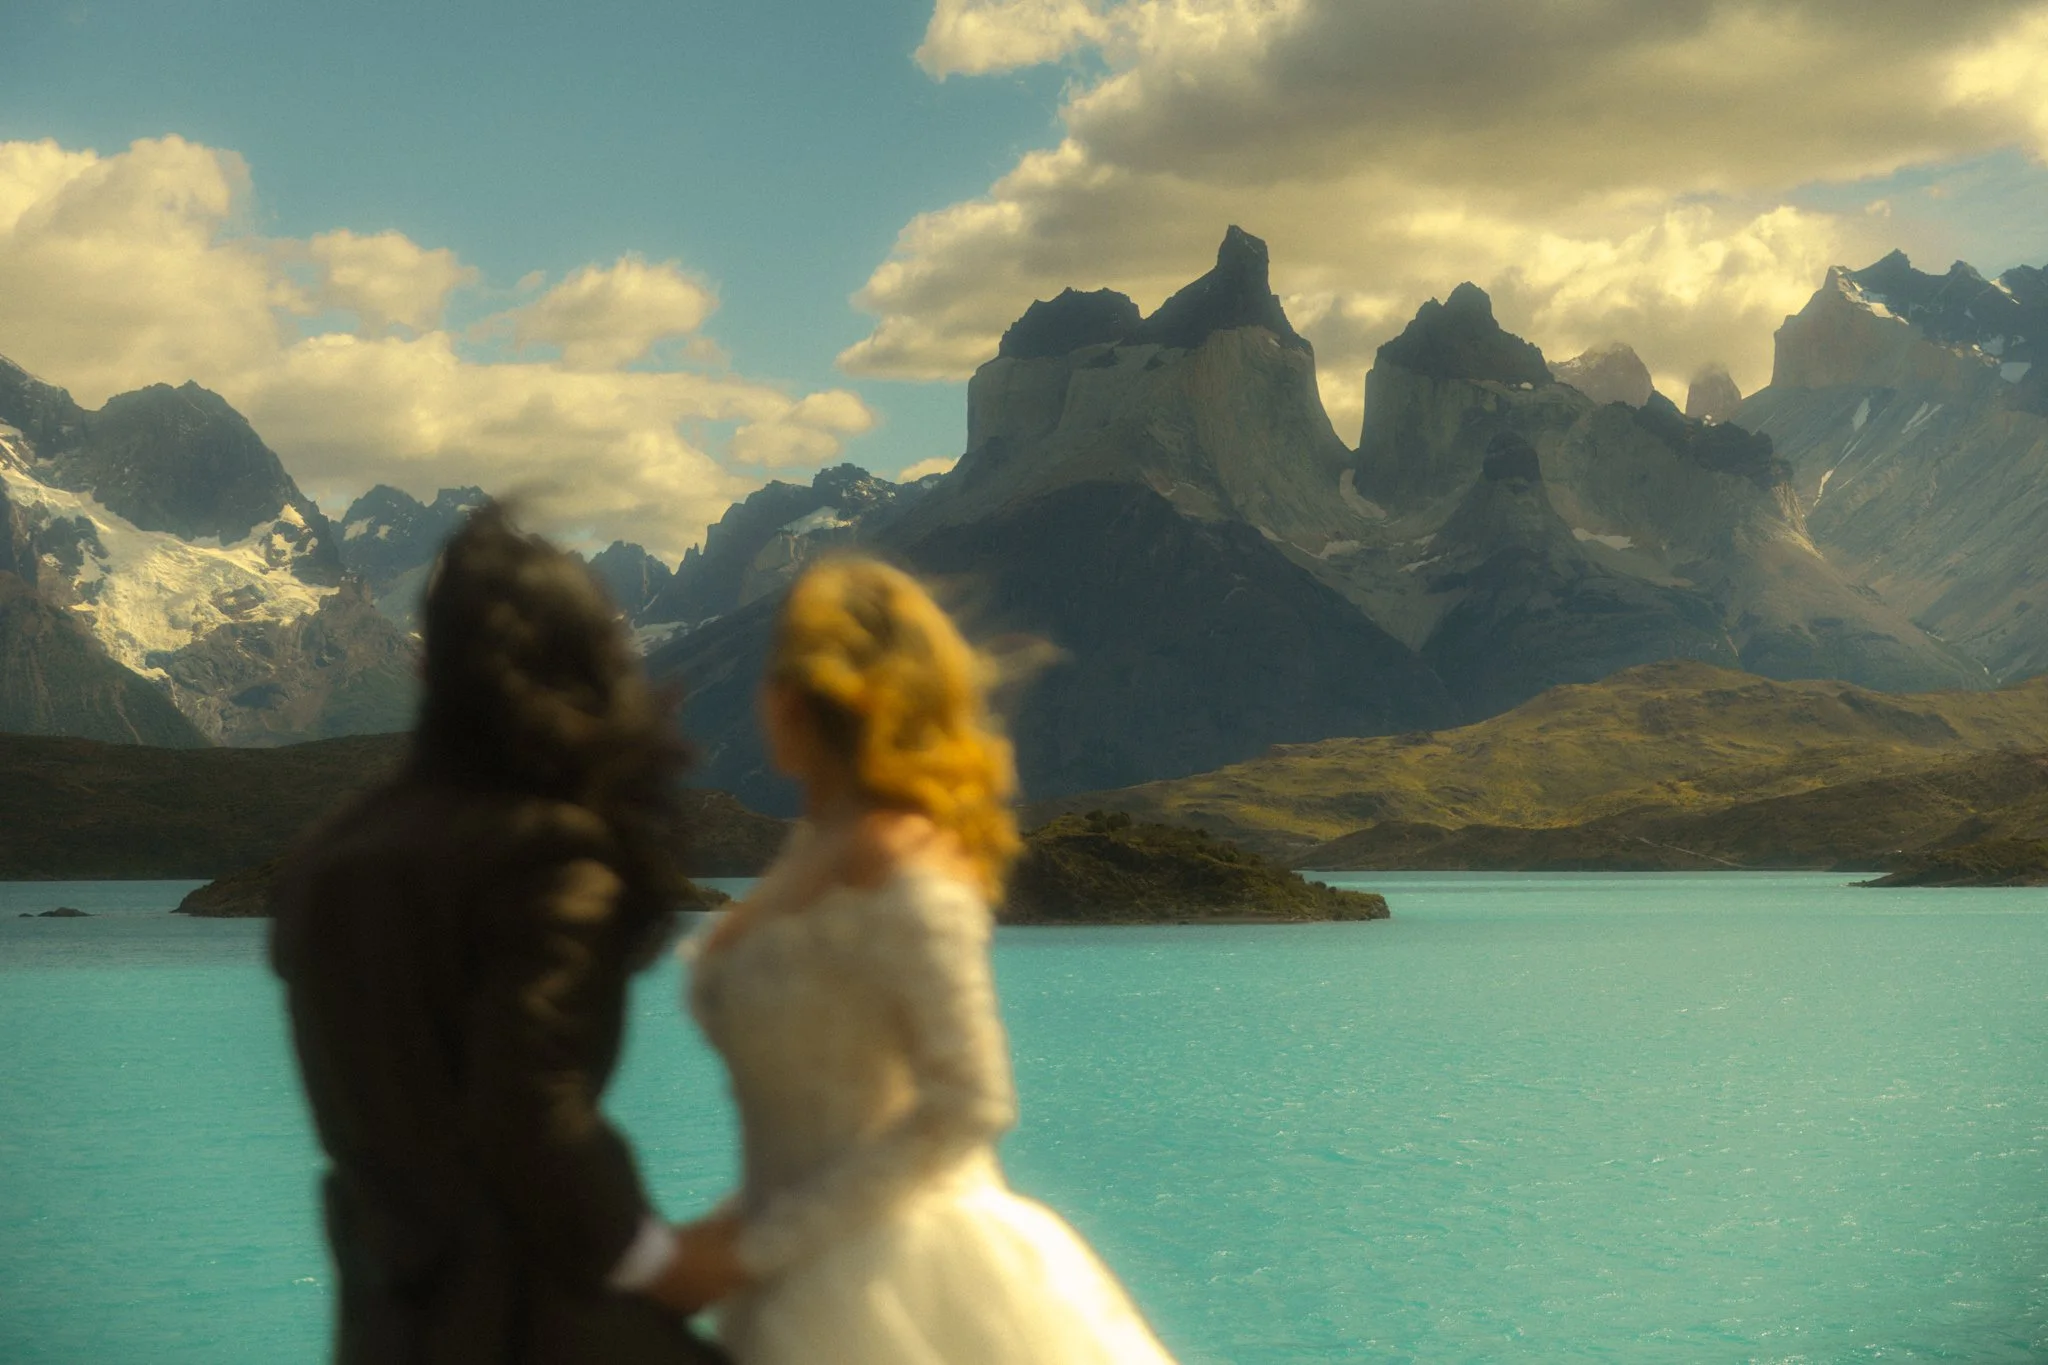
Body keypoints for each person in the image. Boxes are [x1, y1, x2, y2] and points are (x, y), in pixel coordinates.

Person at [673, 556, 1180, 1364]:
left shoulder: (904, 864)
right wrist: (725, 1239)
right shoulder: (818, 851)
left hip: (900, 1284)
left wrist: (749, 1249)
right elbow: (826, 1131)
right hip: (797, 1268)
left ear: (794, 699)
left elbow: (969, 1102)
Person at [270, 504, 726, 1364]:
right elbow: (527, 1110)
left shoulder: (329, 857)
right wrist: (660, 1260)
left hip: (388, 1321)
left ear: (431, 666)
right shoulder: (550, 853)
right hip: (533, 1321)